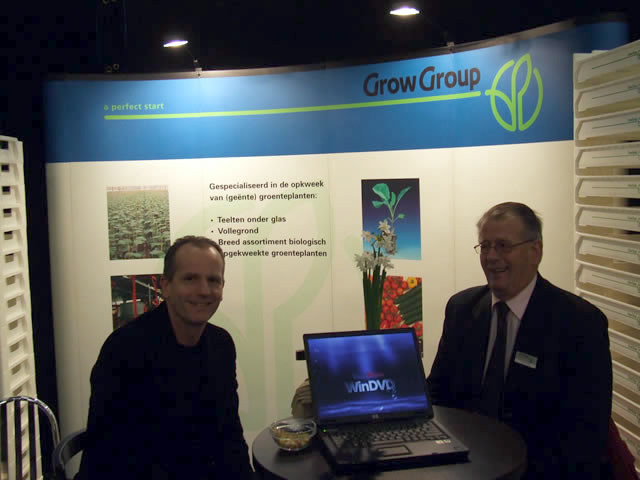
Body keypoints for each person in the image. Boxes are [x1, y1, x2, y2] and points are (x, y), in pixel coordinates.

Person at [427, 202, 612, 479]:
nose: (491, 257)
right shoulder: (462, 309)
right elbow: (438, 393)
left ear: (535, 251)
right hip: (464, 468)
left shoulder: (579, 323)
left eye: (503, 246)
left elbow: (585, 435)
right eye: (485, 246)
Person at [78, 236, 254, 480]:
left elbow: (230, 434)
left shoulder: (221, 344)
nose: (204, 290)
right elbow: (110, 456)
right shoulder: (124, 350)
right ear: (166, 286)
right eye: (190, 279)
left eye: (213, 280)